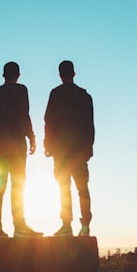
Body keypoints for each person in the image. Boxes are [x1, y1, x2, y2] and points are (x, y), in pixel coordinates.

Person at [0, 62, 42, 238]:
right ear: (18, 75)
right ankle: (19, 227)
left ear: (3, 75)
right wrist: (32, 137)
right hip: (16, 147)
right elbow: (23, 116)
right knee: (18, 185)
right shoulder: (20, 90)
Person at [44, 60, 94, 236]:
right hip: (79, 151)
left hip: (61, 151)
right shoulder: (84, 96)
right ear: (74, 73)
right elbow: (90, 125)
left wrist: (47, 144)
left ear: (59, 74)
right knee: (82, 189)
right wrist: (89, 148)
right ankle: (85, 226)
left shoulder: (56, 94)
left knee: (64, 189)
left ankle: (66, 225)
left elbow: (48, 121)